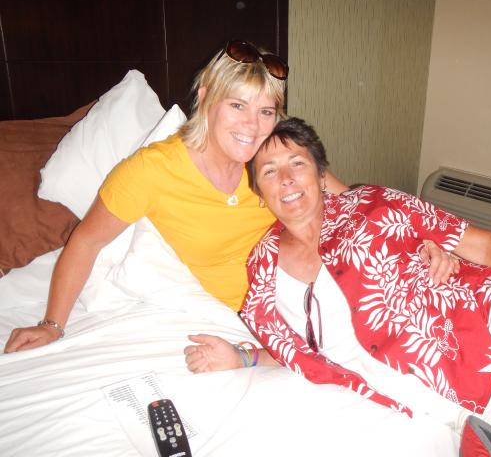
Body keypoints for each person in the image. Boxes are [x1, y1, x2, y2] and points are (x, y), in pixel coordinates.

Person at [184, 118, 491, 454]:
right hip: (464, 409)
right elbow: (303, 351)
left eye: (297, 163)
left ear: (321, 175)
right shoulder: (262, 268)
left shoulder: (374, 204)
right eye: (268, 170)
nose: (285, 179)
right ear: (259, 191)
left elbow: (484, 246)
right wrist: (242, 357)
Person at [4, 41, 455, 354]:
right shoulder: (151, 170)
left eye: (266, 111)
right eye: (237, 105)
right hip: (277, 311)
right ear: (205, 98)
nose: (253, 126)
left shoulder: (273, 153)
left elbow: (349, 202)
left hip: (339, 274)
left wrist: (416, 239)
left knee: (450, 310)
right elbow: (86, 242)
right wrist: (52, 325)